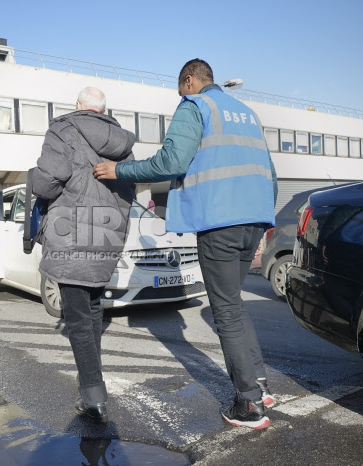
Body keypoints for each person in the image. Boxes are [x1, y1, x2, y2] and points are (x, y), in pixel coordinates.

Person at [93, 59, 278, 430]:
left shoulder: (195, 106)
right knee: (234, 304)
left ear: (190, 81)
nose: (180, 96)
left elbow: (171, 161)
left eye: (181, 90)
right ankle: (258, 381)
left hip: (220, 221)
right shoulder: (245, 112)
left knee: (224, 311)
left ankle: (250, 405)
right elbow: (270, 173)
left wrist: (119, 171)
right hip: (255, 220)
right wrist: (266, 221)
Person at [30, 87, 135, 423]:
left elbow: (47, 184)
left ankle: (93, 396)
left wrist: (35, 177)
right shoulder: (122, 142)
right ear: (103, 110)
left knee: (76, 318)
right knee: (91, 310)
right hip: (106, 233)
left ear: (78, 106)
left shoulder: (62, 129)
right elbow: (129, 188)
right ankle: (93, 381)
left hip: (71, 231)